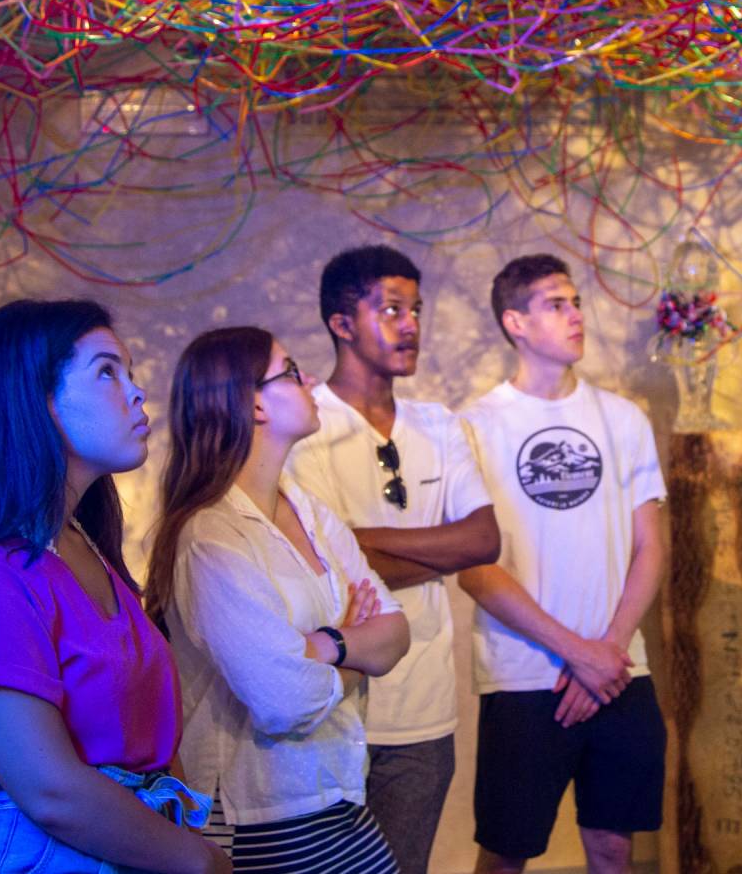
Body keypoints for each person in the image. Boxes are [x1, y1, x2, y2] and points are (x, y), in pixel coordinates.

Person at [0, 299, 226, 874]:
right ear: (33, 400)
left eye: (129, 372)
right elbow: (50, 791)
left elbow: (147, 746)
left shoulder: (83, 545)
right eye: (107, 372)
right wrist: (199, 861)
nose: (137, 393)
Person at [147, 327, 410, 874]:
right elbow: (284, 702)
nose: (309, 378)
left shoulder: (307, 509)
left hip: (336, 790)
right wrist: (354, 650)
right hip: (262, 811)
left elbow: (394, 632)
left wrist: (324, 645)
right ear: (254, 405)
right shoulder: (210, 537)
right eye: (290, 370)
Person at [286, 246, 500, 874]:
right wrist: (439, 549)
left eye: (416, 310)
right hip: (335, 710)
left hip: (425, 712)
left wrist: (359, 542)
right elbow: (325, 567)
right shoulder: (307, 424)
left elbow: (483, 541)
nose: (410, 325)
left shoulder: (440, 424)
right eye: (391, 310)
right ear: (341, 323)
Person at [456, 254, 668, 874]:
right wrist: (577, 653)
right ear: (515, 323)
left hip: (622, 669)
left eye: (576, 302)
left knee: (613, 849)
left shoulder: (624, 418)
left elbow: (651, 546)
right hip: (524, 675)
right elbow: (475, 567)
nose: (576, 315)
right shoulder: (474, 426)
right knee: (506, 852)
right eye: (556, 304)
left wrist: (608, 651)